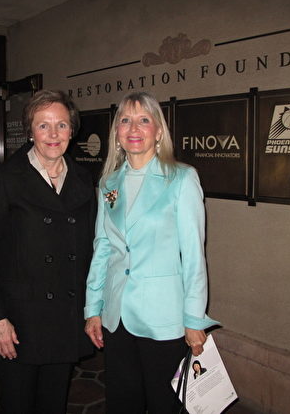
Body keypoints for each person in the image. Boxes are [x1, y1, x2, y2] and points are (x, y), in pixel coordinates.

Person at [84, 92, 219, 414]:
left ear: (158, 131)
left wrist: (194, 318)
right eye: (125, 120)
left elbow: (194, 255)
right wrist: (93, 308)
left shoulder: (182, 178)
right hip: (116, 315)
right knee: (122, 403)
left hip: (163, 317)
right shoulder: (108, 183)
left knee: (164, 404)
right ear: (117, 132)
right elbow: (103, 247)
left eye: (144, 119)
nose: (133, 128)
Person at [0, 89, 95, 414]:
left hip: (65, 316)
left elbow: (90, 253)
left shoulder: (83, 179)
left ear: (72, 130)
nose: (53, 134)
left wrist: (93, 309)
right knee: (18, 404)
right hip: (19, 320)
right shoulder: (4, 178)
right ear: (30, 131)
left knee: (54, 404)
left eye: (62, 125)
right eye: (44, 125)